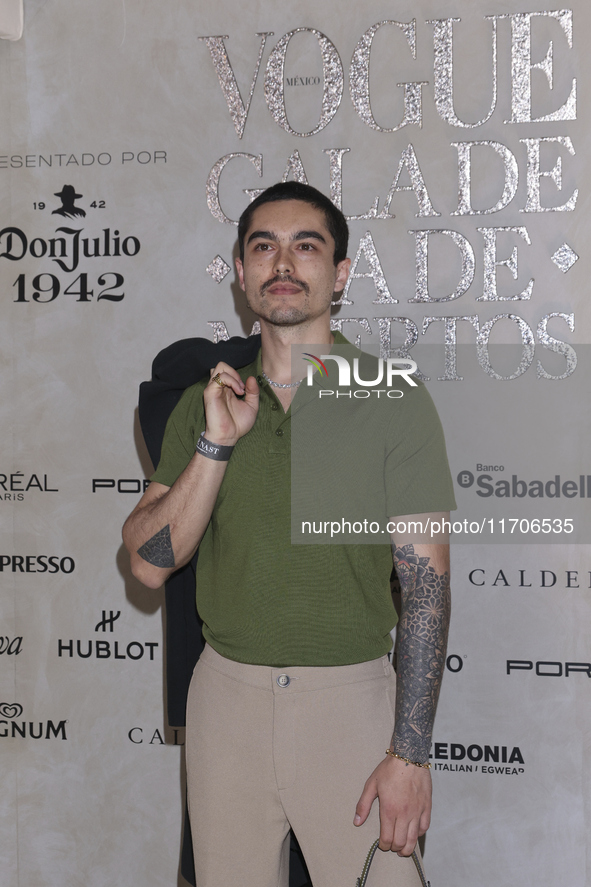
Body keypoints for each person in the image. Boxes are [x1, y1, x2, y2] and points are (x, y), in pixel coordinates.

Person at [122, 181, 455, 887]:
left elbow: (425, 587)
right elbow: (151, 565)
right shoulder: (203, 400)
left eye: (306, 246)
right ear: (241, 275)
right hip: (224, 703)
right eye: (262, 246)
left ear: (338, 274)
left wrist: (411, 754)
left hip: (350, 706)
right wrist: (216, 445)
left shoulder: (390, 397)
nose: (283, 263)